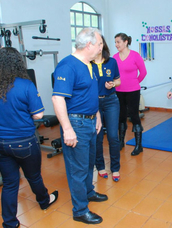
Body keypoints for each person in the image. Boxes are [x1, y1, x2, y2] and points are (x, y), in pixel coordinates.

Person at [0, 47, 58, 228]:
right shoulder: (26, 85)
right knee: (34, 177)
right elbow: (38, 115)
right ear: (18, 64)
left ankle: (9, 223)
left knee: (9, 183)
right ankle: (44, 201)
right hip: (23, 143)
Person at [52, 28, 107, 225]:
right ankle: (80, 210)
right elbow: (58, 98)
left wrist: (98, 115)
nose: (102, 47)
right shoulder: (67, 66)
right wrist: (67, 129)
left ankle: (88, 192)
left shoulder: (90, 65)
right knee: (78, 168)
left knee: (89, 163)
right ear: (89, 45)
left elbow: (89, 93)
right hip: (76, 123)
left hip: (91, 120)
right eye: (100, 44)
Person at [93, 36, 121, 182]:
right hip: (94, 103)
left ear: (103, 45)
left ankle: (115, 168)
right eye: (96, 44)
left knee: (112, 136)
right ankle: (100, 166)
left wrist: (113, 84)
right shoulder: (87, 63)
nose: (98, 46)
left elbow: (118, 80)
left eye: (101, 43)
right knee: (97, 137)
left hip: (111, 101)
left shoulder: (112, 62)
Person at [113, 33, 147, 156]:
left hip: (133, 91)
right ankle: (121, 142)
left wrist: (134, 83)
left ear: (126, 42)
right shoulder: (115, 57)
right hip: (118, 91)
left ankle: (139, 146)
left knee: (134, 116)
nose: (116, 44)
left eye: (118, 42)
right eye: (115, 42)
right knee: (121, 116)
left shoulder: (135, 56)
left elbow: (143, 72)